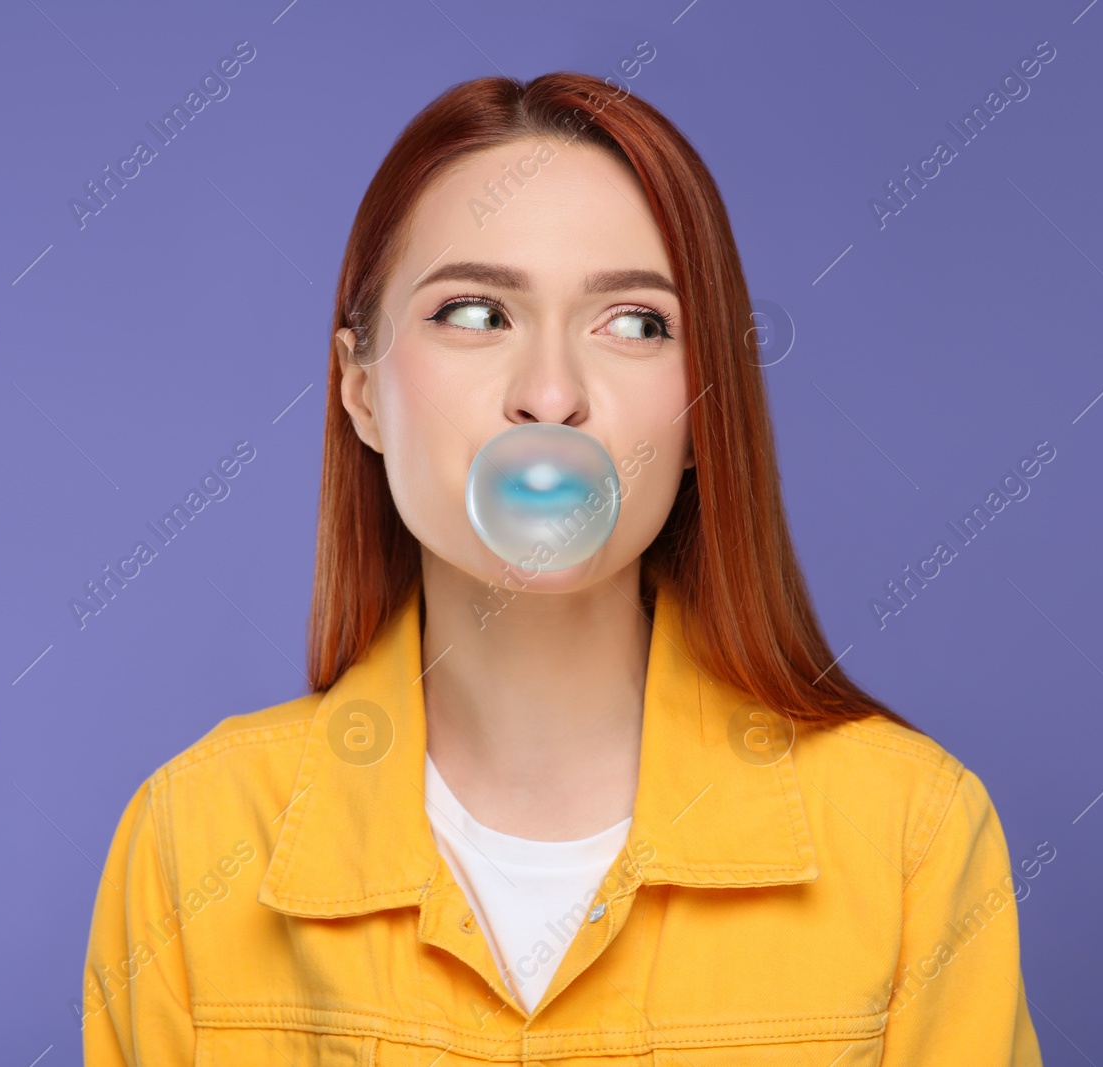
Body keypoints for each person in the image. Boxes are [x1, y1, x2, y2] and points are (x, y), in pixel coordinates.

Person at [83, 70, 1043, 1065]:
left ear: (703, 412)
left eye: (634, 324)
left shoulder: (908, 839)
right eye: (475, 312)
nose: (549, 394)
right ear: (360, 389)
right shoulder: (194, 838)